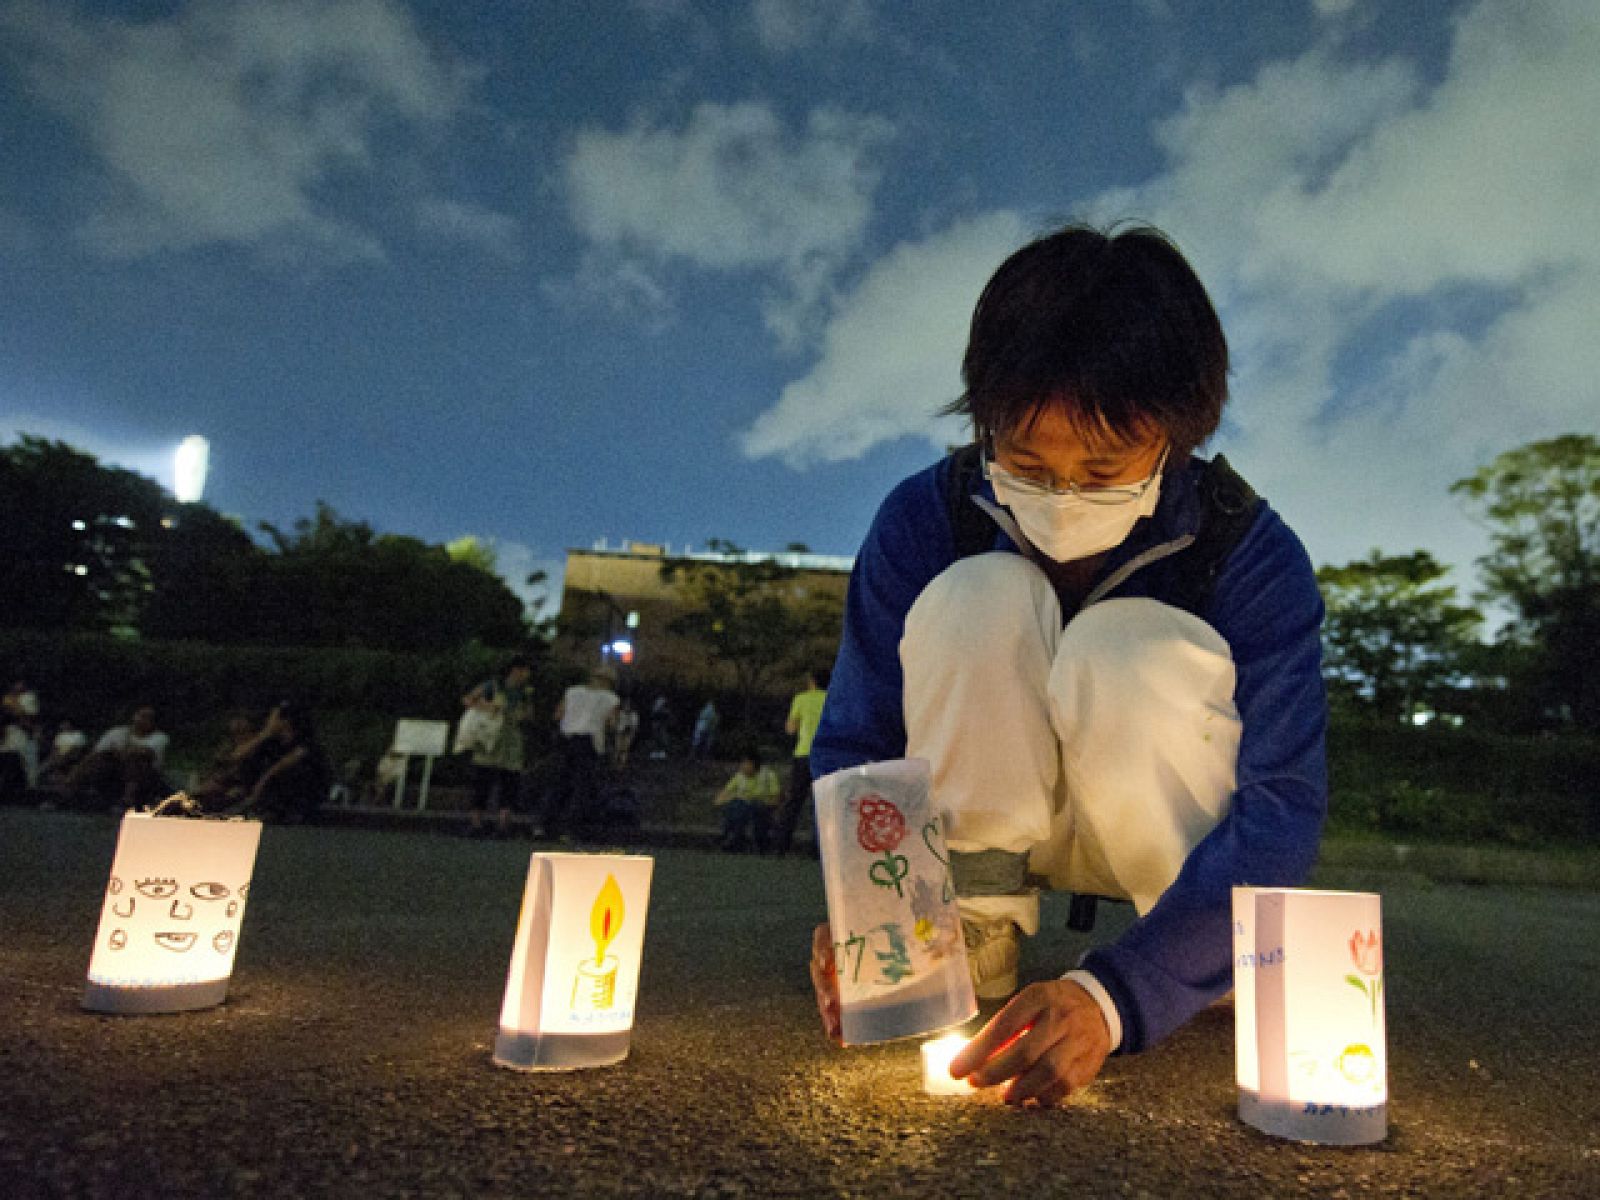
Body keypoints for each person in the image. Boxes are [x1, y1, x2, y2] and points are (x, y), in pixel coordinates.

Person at [806, 223, 1327, 1108]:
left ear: (1176, 435)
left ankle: (1197, 956)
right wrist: (875, 909)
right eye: (1028, 460)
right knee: (981, 599)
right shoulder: (928, 519)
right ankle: (970, 928)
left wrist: (1115, 998)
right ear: (984, 424)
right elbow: (859, 733)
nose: (1064, 496)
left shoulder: (1247, 551)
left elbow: (1282, 800)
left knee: (1123, 646)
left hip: (1172, 853)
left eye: (1103, 466)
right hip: (990, 830)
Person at [460, 656, 535, 837]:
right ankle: (476, 823)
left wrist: (522, 714)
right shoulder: (493, 686)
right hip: (489, 739)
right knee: (482, 782)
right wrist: (489, 706)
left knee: (509, 783)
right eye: (524, 670)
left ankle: (502, 825)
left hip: (511, 741)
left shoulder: (525, 692)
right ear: (515, 670)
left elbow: (530, 715)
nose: (526, 674)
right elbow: (468, 700)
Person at [544, 667, 620, 841]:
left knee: (559, 783)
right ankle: (570, 828)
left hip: (566, 739)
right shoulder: (611, 699)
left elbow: (558, 715)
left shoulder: (572, 692)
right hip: (588, 742)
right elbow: (612, 724)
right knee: (582, 787)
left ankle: (544, 824)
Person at [224, 702, 331, 823]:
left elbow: (281, 766)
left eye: (273, 717)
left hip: (305, 797)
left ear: (285, 721)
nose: (269, 721)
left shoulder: (305, 743)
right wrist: (264, 735)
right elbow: (236, 756)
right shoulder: (273, 743)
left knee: (290, 773)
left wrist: (261, 784)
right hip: (269, 794)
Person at [68, 705, 173, 810]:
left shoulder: (159, 738)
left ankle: (128, 799)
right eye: (141, 716)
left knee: (137, 760)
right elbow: (98, 751)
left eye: (148, 718)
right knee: (98, 758)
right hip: (113, 772)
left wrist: (121, 752)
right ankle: (69, 789)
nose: (143, 720)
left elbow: (147, 753)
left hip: (145, 777)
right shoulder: (117, 732)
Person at [772, 668, 829, 857]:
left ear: (812, 681)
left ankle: (781, 846)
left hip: (803, 753)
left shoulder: (801, 698)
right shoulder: (832, 697)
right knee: (820, 803)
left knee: (794, 801)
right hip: (825, 754)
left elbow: (791, 728)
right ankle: (817, 849)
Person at [714, 749, 782, 854]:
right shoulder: (739, 777)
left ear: (753, 764)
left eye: (745, 763)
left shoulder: (769, 776)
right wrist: (736, 797)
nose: (742, 767)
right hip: (741, 808)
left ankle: (736, 841)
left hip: (761, 809)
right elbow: (719, 799)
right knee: (737, 806)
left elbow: (776, 800)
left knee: (749, 808)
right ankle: (734, 840)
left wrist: (755, 800)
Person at [611, 698, 640, 768]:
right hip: (619, 732)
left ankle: (622, 764)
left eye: (628, 705)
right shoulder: (620, 713)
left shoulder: (634, 715)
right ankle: (614, 762)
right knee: (617, 748)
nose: (627, 706)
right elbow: (616, 723)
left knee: (624, 749)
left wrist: (631, 731)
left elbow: (635, 726)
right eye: (626, 705)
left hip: (628, 734)